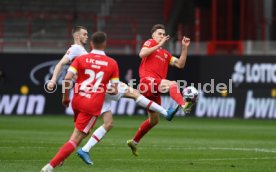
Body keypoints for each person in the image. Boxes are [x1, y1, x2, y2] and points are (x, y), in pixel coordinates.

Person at [46, 26, 177, 165]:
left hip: (93, 92)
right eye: (84, 34)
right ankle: (165, 112)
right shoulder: (77, 49)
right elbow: (61, 64)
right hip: (101, 87)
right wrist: (53, 80)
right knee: (135, 93)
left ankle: (81, 151)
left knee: (107, 124)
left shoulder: (83, 53)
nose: (86, 36)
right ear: (77, 36)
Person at [41, 31, 120, 172]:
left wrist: (65, 97)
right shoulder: (112, 63)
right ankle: (50, 167)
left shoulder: (81, 59)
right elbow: (114, 90)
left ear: (91, 44)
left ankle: (61, 158)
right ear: (105, 43)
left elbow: (67, 79)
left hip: (76, 101)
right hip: (92, 105)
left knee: (78, 133)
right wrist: (101, 87)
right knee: (76, 138)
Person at [127, 24, 194, 156]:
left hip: (155, 87)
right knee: (173, 84)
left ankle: (134, 142)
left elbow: (180, 64)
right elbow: (142, 54)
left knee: (154, 121)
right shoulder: (150, 43)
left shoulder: (165, 54)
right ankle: (183, 104)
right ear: (153, 35)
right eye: (159, 34)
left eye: (163, 34)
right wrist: (158, 44)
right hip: (147, 82)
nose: (162, 36)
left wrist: (184, 48)